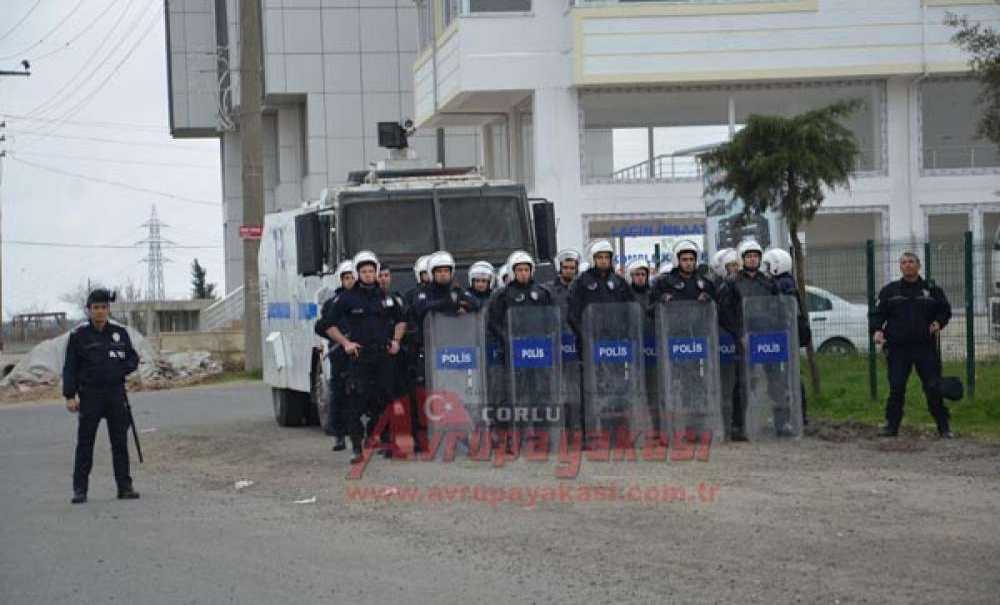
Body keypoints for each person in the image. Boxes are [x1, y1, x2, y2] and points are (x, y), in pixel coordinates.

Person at [323, 251, 407, 462]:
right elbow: (327, 324)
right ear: (358, 273)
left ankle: (387, 444)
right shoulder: (347, 297)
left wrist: (396, 341)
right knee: (356, 402)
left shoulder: (386, 297)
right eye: (364, 271)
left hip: (383, 356)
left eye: (371, 271)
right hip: (359, 357)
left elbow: (401, 320)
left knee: (386, 400)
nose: (368, 275)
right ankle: (356, 448)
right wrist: (345, 343)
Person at [63, 288, 141, 504]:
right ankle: (80, 490)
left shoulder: (119, 333)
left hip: (116, 394)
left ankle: (124, 487)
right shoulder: (79, 337)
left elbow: (133, 359)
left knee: (119, 443)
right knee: (85, 443)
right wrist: (70, 395)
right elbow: (70, 367)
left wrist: (121, 370)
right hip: (90, 395)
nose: (99, 311)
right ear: (89, 310)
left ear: (108, 309)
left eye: (103, 307)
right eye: (95, 308)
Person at [870, 252, 953, 438]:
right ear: (900, 266)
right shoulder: (890, 291)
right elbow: (876, 314)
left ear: (919, 265)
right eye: (904, 262)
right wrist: (877, 330)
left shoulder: (931, 290)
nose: (907, 265)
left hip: (925, 348)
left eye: (911, 262)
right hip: (898, 348)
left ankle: (944, 427)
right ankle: (891, 426)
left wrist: (939, 322)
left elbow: (945, 310)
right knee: (896, 387)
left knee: (933, 387)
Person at [410, 251, 481, 449]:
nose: (443, 275)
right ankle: (433, 436)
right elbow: (422, 308)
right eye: (439, 271)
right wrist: (448, 304)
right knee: (433, 395)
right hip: (432, 352)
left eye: (446, 271)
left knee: (457, 395)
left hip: (455, 352)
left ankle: (460, 435)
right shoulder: (423, 291)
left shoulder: (457, 290)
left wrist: (460, 305)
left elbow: (476, 304)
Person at [718, 239, 780, 440]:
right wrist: (739, 334)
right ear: (742, 259)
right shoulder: (732, 283)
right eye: (749, 256)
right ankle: (739, 425)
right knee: (743, 383)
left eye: (756, 256)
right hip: (744, 340)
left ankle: (780, 422)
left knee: (775, 381)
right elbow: (725, 312)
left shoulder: (768, 282)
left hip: (766, 339)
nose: (753, 259)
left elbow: (778, 308)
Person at [763, 247, 811, 425]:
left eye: (768, 265)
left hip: (782, 336)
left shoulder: (782, 285)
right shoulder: (788, 282)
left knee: (783, 379)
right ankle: (796, 414)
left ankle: (789, 415)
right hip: (787, 336)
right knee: (790, 377)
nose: (766, 269)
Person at [314, 260, 358, 451]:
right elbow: (322, 326)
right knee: (338, 393)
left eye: (352, 277)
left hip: (361, 353)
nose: (349, 281)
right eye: (345, 278)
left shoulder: (364, 299)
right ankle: (339, 435)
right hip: (340, 353)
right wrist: (339, 339)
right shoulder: (333, 303)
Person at [567, 239, 635, 337]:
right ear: (593, 259)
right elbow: (573, 314)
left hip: (616, 337)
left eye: (607, 257)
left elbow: (631, 308)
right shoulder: (581, 282)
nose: (603, 261)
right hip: (590, 339)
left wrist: (624, 331)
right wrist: (583, 334)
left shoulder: (619, 282)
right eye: (600, 257)